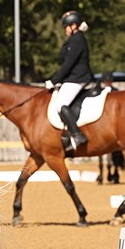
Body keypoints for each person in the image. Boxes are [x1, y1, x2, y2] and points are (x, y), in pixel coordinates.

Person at [44, 10, 93, 152]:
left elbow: (69, 64)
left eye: (66, 26)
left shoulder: (77, 40)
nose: (65, 29)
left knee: (60, 103)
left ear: (74, 26)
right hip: (73, 77)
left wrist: (54, 80)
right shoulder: (74, 39)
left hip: (78, 78)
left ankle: (77, 135)